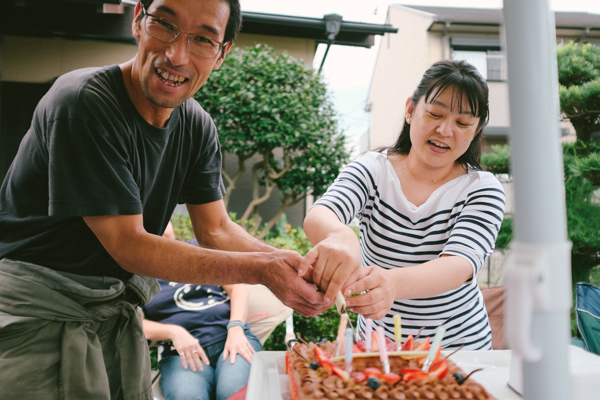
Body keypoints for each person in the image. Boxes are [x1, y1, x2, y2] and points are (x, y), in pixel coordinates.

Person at [0, 1, 325, 399]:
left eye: (203, 39)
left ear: (221, 54)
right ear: (138, 19)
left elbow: (217, 230)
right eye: (165, 26)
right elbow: (129, 245)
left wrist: (293, 266)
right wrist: (263, 269)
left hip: (115, 320)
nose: (177, 55)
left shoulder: (195, 124)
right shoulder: (83, 102)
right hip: (37, 317)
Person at [300, 59, 506, 350]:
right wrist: (342, 236)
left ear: (476, 130)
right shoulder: (373, 169)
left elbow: (459, 265)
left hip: (458, 348)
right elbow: (321, 213)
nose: (445, 131)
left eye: (462, 123)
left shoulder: (482, 189)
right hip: (378, 346)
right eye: (435, 114)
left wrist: (393, 284)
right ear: (410, 110)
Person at [143, 225, 260, 400]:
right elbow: (137, 325)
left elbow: (238, 290)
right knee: (187, 396)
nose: (158, 229)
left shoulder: (199, 249)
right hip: (180, 355)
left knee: (234, 393)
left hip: (231, 338)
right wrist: (173, 331)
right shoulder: (138, 276)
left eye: (164, 222)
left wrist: (236, 327)